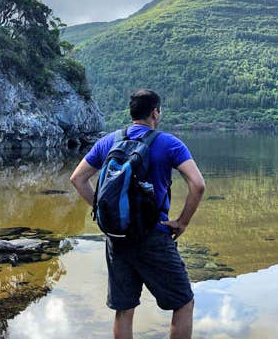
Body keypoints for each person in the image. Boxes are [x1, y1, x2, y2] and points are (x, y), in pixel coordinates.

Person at [70, 89, 206, 339]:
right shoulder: (169, 143)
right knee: (183, 302)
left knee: (124, 308)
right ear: (155, 112)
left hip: (117, 236)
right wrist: (182, 222)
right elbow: (197, 185)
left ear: (131, 112)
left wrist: (102, 211)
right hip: (153, 235)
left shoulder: (108, 141)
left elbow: (78, 179)